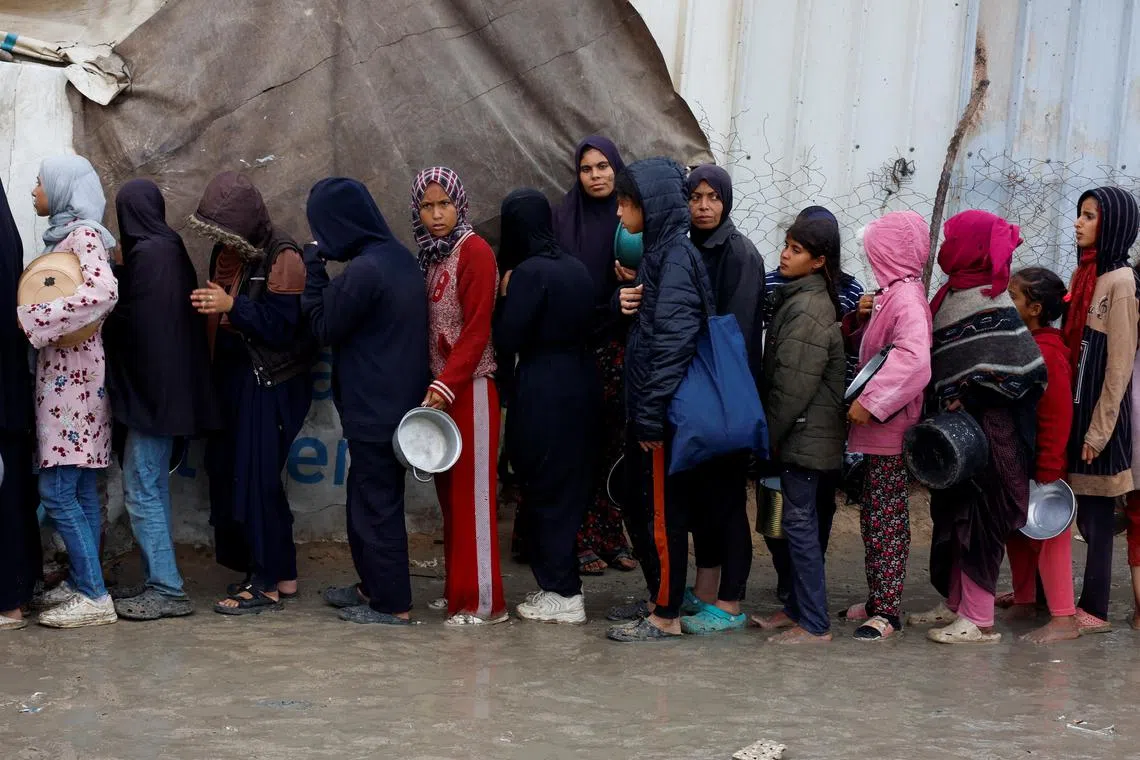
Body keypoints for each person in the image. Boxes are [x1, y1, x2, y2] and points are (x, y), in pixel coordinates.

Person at [908, 210, 1046, 645]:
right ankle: (954, 604)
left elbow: (1027, 371)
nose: (945, 246)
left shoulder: (993, 299)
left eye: (951, 238)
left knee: (980, 520)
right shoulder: (953, 294)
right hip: (957, 433)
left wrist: (971, 391)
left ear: (971, 246)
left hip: (991, 434)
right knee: (951, 517)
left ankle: (979, 619)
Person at [302, 178, 430, 626]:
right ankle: (371, 585)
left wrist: (314, 269)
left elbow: (322, 326)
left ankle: (392, 604)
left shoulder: (365, 271)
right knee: (367, 500)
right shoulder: (397, 260)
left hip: (376, 409)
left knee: (376, 507)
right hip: (393, 405)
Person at [187, 171, 315, 616]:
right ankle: (280, 573)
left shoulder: (283, 256)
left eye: (225, 232)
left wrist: (231, 307)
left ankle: (265, 585)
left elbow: (283, 328)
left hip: (271, 382)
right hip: (236, 381)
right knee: (239, 477)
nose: (220, 242)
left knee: (258, 481)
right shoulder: (230, 255)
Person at [605, 157, 711, 642]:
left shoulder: (675, 259)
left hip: (663, 415)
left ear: (651, 206)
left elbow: (672, 344)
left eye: (627, 203)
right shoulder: (661, 254)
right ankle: (657, 598)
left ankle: (666, 615)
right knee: (644, 505)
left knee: (662, 515)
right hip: (652, 409)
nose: (621, 213)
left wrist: (649, 416)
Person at [103, 179, 218, 621]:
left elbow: (137, 328)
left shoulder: (150, 258)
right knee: (150, 486)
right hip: (167, 395)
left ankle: (167, 590)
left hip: (154, 398)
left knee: (142, 487)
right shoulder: (167, 249)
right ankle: (159, 578)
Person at [17, 155, 119, 628]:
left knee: (56, 491)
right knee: (75, 491)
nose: (34, 190)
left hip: (73, 384)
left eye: (40, 182)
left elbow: (103, 293)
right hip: (70, 379)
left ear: (61, 189)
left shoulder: (83, 235)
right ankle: (84, 586)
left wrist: (34, 318)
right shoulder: (68, 235)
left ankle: (95, 596)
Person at [494, 188, 599, 624]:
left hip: (543, 390)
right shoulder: (576, 268)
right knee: (568, 489)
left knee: (542, 488)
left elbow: (506, 339)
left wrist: (505, 293)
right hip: (583, 386)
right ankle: (562, 583)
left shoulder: (528, 274)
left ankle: (562, 592)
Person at [412, 166, 507, 626]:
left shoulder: (475, 252)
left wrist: (445, 384)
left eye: (443, 204)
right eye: (427, 206)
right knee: (451, 499)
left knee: (475, 500)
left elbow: (475, 330)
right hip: (441, 393)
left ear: (459, 204)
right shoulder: (431, 257)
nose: (436, 215)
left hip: (471, 390)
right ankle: (458, 591)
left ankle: (484, 603)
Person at [676, 164, 764, 634]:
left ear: (726, 201)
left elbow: (734, 335)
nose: (704, 206)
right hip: (699, 391)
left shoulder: (739, 255)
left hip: (727, 392)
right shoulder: (689, 247)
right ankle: (705, 590)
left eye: (712, 197)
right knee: (703, 497)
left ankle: (730, 602)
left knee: (728, 500)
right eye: (696, 197)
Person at [751, 216, 846, 645]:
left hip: (805, 435)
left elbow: (791, 386)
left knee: (801, 526)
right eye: (786, 245)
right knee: (795, 526)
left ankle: (814, 624)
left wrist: (765, 435)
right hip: (804, 433)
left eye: (796, 249)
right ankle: (795, 610)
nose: (784, 255)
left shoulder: (808, 309)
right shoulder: (801, 298)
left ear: (818, 261)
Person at [839, 211, 932, 641]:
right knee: (874, 516)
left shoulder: (907, 300)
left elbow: (913, 361)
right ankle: (879, 597)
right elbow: (880, 349)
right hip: (882, 429)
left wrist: (871, 404)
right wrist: (863, 316)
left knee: (887, 518)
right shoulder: (893, 294)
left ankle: (888, 611)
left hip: (891, 428)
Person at [551, 135, 637, 577]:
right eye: (587, 169)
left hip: (619, 345)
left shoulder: (631, 219)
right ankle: (580, 537)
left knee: (614, 447)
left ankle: (610, 535)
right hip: (575, 347)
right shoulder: (562, 220)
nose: (596, 175)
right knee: (579, 446)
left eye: (604, 166)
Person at [1062, 186, 1140, 634]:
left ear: (1112, 225)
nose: (1079, 223)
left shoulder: (1121, 283)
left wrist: (1099, 430)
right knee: (1073, 506)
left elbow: (1119, 364)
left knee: (1095, 515)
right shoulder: (1084, 274)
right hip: (1076, 408)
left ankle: (1095, 609)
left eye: (1089, 216)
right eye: (1080, 214)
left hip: (1100, 418)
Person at [999, 267, 1078, 643]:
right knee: (1017, 528)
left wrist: (1048, 465)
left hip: (1043, 461)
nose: (1005, 302)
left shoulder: (1048, 352)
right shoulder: (1026, 342)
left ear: (1034, 308)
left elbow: (1058, 413)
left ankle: (1064, 618)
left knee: (1050, 533)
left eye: (1012, 297)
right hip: (1021, 455)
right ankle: (1026, 598)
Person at [0, 178, 41, 631]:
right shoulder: (7, 237)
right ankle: (18, 592)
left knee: (6, 496)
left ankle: (9, 601)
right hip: (9, 391)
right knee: (12, 494)